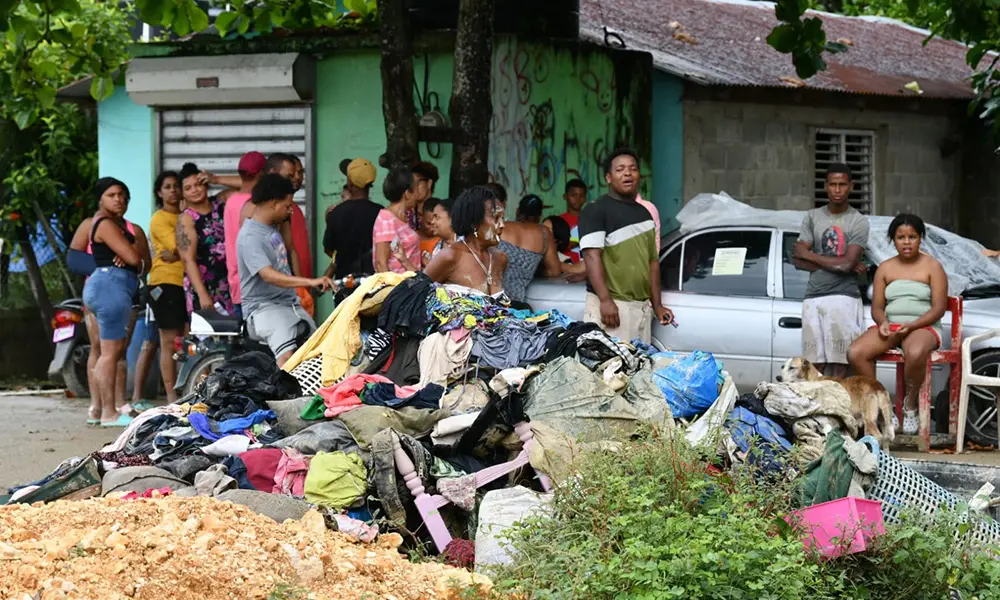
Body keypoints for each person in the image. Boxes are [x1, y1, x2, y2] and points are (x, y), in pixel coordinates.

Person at [847, 214, 947, 435]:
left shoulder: (933, 266)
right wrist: (882, 322)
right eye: (901, 237)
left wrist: (913, 325)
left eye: (912, 237)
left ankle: (909, 406)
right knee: (856, 352)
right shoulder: (885, 268)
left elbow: (938, 308)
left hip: (923, 327)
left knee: (916, 350)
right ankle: (882, 407)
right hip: (892, 326)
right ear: (893, 240)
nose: (907, 242)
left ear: (920, 238)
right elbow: (877, 307)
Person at [236, 174, 333, 367]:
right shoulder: (250, 237)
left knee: (319, 351)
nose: (291, 211)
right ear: (273, 204)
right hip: (264, 309)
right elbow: (268, 275)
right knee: (287, 358)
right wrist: (309, 281)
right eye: (287, 206)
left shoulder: (272, 228)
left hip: (289, 305)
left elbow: (290, 247)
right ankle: (282, 397)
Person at [579, 148, 673, 344]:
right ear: (608, 178)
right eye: (620, 169)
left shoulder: (645, 215)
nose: (627, 173)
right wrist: (605, 301)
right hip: (613, 307)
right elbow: (591, 257)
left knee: (637, 371)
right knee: (609, 373)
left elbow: (652, 262)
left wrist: (657, 305)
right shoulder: (596, 210)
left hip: (641, 308)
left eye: (633, 169)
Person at [82, 178, 151, 427]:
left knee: (111, 352)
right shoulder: (104, 223)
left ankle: (105, 410)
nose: (118, 199)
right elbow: (135, 258)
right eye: (111, 195)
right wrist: (133, 255)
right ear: (100, 199)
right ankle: (107, 412)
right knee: (108, 354)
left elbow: (142, 263)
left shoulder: (120, 227)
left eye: (122, 194)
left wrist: (134, 257)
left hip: (114, 288)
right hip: (109, 288)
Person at [793, 163, 869, 378]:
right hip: (813, 296)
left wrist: (809, 255)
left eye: (842, 185)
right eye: (833, 184)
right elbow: (798, 261)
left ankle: (836, 410)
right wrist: (842, 263)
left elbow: (845, 265)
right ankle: (818, 411)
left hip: (843, 297)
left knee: (840, 365)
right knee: (814, 365)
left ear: (851, 186)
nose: (837, 190)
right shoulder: (811, 217)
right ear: (825, 187)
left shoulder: (858, 221)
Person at [146, 170, 185, 403]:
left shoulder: (184, 215)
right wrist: (179, 249)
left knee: (188, 340)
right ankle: (171, 395)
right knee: (168, 341)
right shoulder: (160, 218)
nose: (173, 191)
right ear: (159, 193)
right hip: (165, 283)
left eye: (176, 186)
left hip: (184, 282)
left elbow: (181, 250)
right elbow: (179, 245)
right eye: (167, 187)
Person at [425, 186, 508, 295]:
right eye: (496, 218)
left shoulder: (500, 258)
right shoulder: (450, 256)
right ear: (474, 222)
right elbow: (417, 293)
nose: (502, 225)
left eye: (502, 218)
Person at [177, 162, 234, 315]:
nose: (194, 190)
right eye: (188, 188)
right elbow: (188, 259)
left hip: (230, 282)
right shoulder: (187, 219)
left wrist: (216, 179)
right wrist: (202, 294)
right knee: (208, 336)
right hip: (203, 285)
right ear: (182, 194)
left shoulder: (221, 202)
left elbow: (253, 186)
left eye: (198, 185)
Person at [221, 151, 267, 319]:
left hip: (237, 284)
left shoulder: (231, 201)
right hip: (258, 286)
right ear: (262, 173)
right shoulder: (257, 204)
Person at [496, 193, 561, 308]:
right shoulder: (544, 233)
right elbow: (554, 271)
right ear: (540, 215)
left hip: (492, 297)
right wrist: (532, 269)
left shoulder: (501, 227)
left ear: (517, 210)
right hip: (516, 302)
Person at [324, 157, 381, 279]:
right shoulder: (381, 212)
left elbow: (329, 249)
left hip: (344, 282)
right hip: (373, 282)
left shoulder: (336, 213)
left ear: (350, 184)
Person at [373, 168, 421, 274]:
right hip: (400, 287)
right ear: (407, 194)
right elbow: (381, 264)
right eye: (416, 189)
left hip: (411, 285)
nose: (418, 195)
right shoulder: (386, 219)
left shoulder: (406, 217)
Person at [560, 178, 587, 256]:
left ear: (585, 198)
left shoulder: (591, 219)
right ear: (565, 196)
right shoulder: (559, 221)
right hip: (566, 265)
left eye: (581, 196)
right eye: (573, 195)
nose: (577, 199)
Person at [419, 198, 442, 265]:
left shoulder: (442, 242)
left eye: (435, 224)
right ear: (421, 218)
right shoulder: (413, 237)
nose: (432, 228)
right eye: (429, 223)